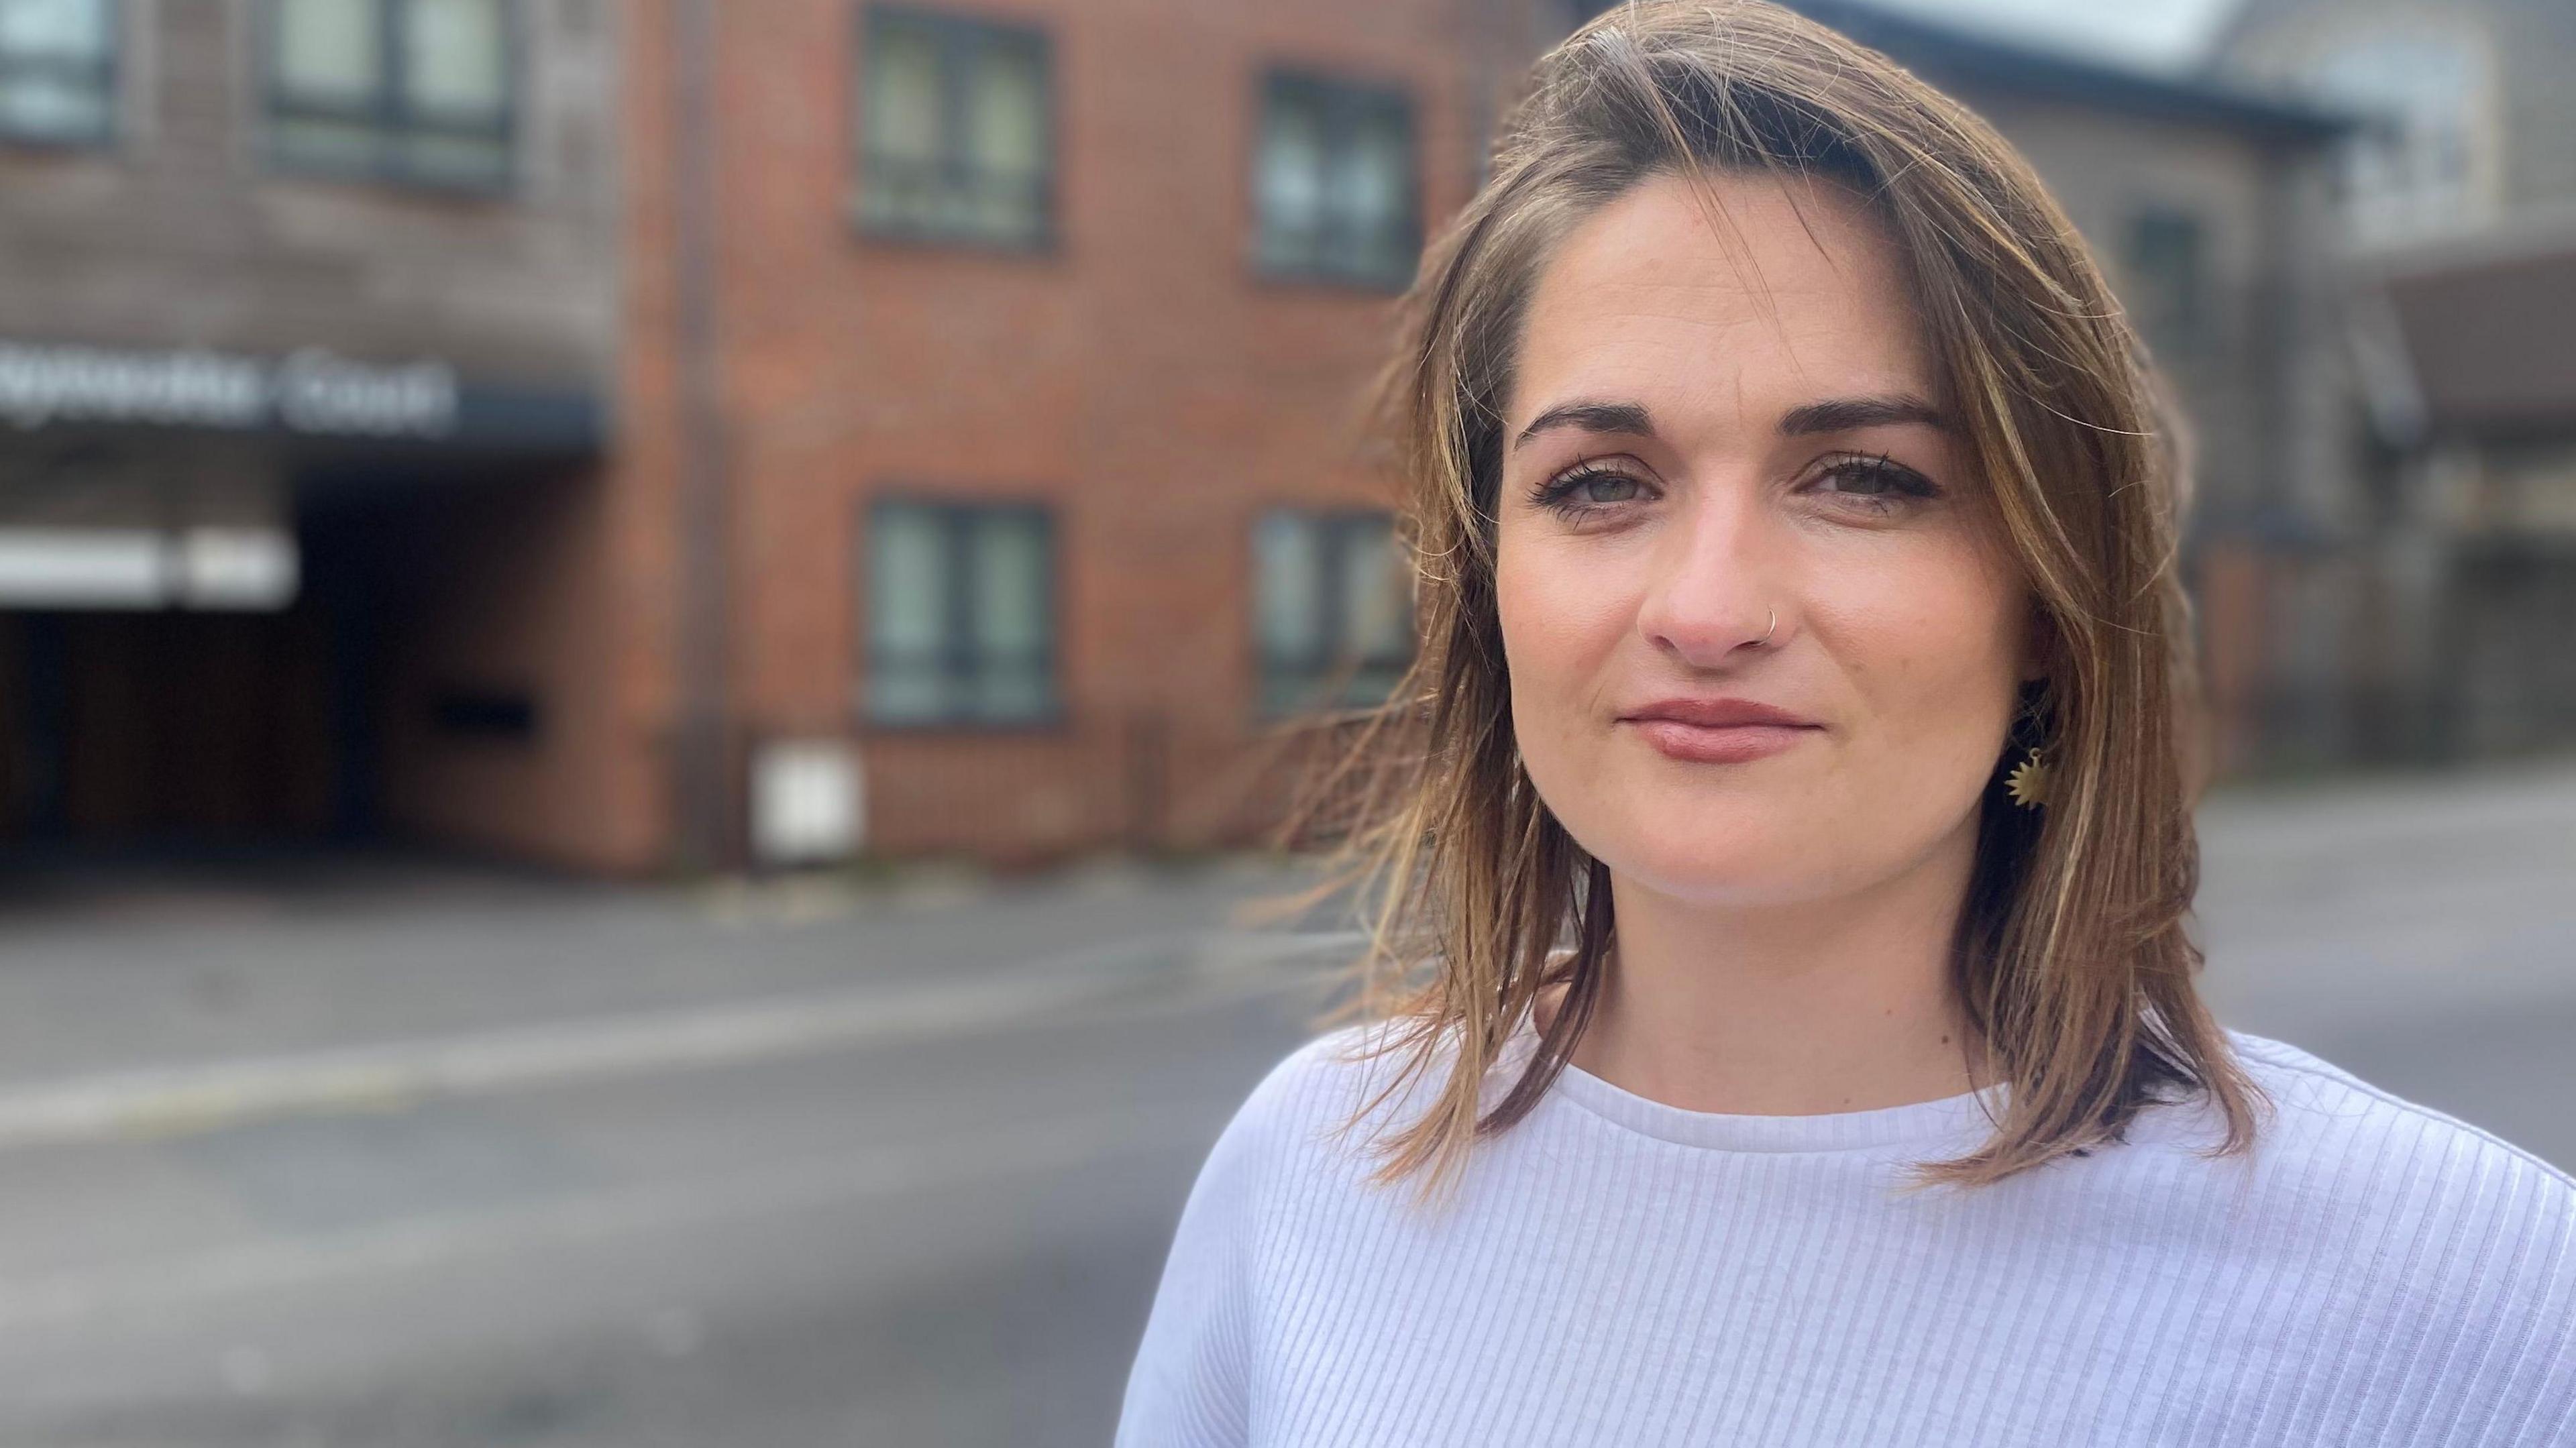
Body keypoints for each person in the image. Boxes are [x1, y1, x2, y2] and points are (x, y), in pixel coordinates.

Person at [1114, 2, 2576, 1443]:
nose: (1707, 607)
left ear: (2057, 609)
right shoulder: (1312, 1173)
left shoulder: (2473, 1304)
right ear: (1489, 579)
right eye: (1602, 481)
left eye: (1864, 479)